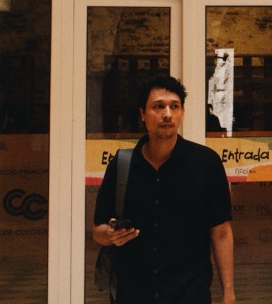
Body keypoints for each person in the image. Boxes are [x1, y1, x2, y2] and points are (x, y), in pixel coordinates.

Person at [93, 75, 236, 303]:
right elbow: (98, 231)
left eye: (174, 106)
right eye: (158, 106)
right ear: (143, 114)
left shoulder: (206, 163)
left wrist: (228, 292)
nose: (167, 114)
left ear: (182, 112)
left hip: (189, 293)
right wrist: (110, 235)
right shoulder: (122, 164)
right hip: (134, 293)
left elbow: (221, 232)